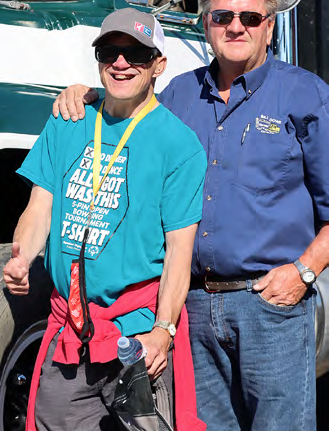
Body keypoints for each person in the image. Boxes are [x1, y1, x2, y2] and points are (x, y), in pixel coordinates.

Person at [50, 0, 329, 430]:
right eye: (222, 17)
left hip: (270, 306)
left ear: (269, 28)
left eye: (250, 18)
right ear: (207, 25)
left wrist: (305, 272)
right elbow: (128, 105)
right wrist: (86, 96)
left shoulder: (305, 94)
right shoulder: (179, 93)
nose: (235, 27)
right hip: (193, 308)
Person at [3, 8, 208, 431]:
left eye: (137, 53)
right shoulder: (69, 119)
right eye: (110, 51)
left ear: (159, 65)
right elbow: (40, 207)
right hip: (70, 334)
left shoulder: (179, 145)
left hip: (134, 338)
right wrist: (23, 256)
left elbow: (178, 252)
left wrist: (163, 331)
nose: (120, 62)